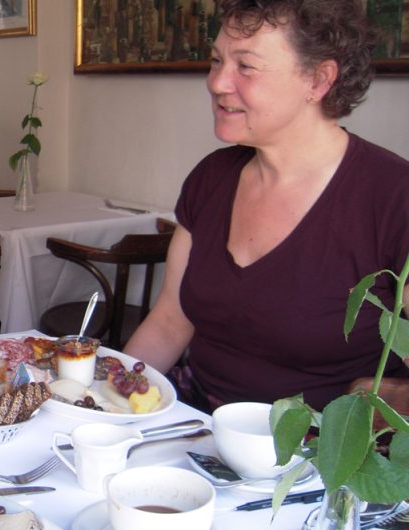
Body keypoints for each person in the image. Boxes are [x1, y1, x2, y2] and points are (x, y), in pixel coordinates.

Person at [123, 0, 409, 412]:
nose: (217, 82)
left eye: (246, 66)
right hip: (195, 423)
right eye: (216, 60)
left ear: (318, 79)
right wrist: (111, 402)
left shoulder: (393, 198)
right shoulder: (212, 177)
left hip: (315, 444)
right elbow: (170, 323)